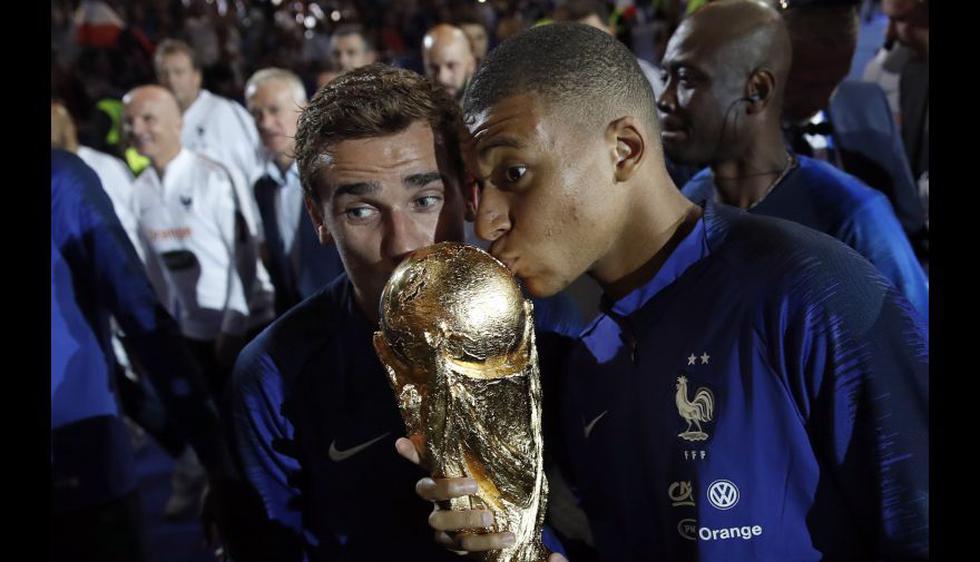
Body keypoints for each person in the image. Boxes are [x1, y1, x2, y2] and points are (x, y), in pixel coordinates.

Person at [398, 19, 928, 561]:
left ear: (624, 149)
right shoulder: (579, 359)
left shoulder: (810, 293)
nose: (486, 223)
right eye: (475, 188)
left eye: (512, 173)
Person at [220, 64, 582, 562]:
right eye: (361, 211)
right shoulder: (274, 373)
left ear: (467, 196)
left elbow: (613, 514)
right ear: (317, 218)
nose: (405, 243)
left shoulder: (547, 320)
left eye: (425, 199)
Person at [655, 0, 927, 318]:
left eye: (687, 79)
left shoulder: (855, 214)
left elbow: (914, 342)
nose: (665, 100)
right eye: (666, 78)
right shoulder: (691, 202)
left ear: (758, 88)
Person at [52, 149, 223, 562]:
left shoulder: (61, 180)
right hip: (77, 450)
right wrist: (215, 457)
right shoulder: (60, 177)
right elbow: (138, 310)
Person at [123, 84, 275, 516]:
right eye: (131, 121)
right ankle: (229, 508)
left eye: (149, 118)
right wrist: (169, 321)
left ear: (178, 122)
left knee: (257, 427)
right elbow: (157, 271)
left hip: (244, 325)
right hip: (192, 330)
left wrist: (232, 322)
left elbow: (243, 254)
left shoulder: (212, 174)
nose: (139, 129)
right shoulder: (142, 191)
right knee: (212, 428)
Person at [779, 0, 928, 261]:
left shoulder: (868, 102)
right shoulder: (732, 130)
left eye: (834, 81)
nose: (824, 99)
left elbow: (909, 221)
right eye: (809, 84)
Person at [244, 68, 344, 316]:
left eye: (274, 110)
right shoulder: (263, 188)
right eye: (256, 114)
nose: (265, 123)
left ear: (305, 109)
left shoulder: (334, 173)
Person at [155, 38, 263, 235]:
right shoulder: (158, 125)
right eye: (164, 74)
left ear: (196, 76)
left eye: (179, 72)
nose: (171, 80)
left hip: (233, 228)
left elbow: (249, 174)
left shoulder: (223, 113)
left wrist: (255, 232)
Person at [422, 24, 477, 102]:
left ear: (471, 64)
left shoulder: (492, 109)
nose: (442, 78)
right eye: (433, 67)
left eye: (451, 66)